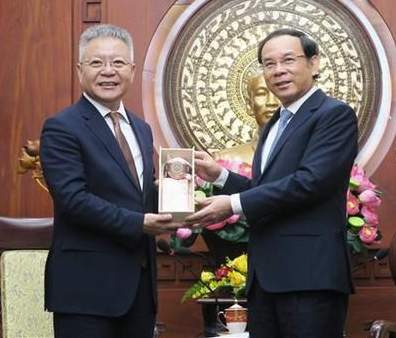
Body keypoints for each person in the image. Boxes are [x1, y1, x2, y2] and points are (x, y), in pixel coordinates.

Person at [186, 28, 358, 338]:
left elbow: (310, 182)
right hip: (266, 277)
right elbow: (268, 187)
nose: (278, 71)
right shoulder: (275, 124)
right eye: (268, 64)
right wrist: (220, 176)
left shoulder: (334, 115)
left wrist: (232, 205)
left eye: (288, 60)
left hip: (309, 277)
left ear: (314, 64)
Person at [40, 24, 181, 338]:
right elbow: (73, 200)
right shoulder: (62, 127)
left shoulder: (141, 128)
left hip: (139, 288)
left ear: (131, 70)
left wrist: (181, 200)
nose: (108, 71)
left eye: (117, 63)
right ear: (80, 71)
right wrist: (140, 223)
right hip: (86, 291)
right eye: (96, 63)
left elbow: (138, 193)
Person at [211, 73, 279, 165]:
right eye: (261, 94)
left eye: (278, 93)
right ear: (249, 105)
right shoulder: (225, 161)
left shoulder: (303, 157)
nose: (271, 102)